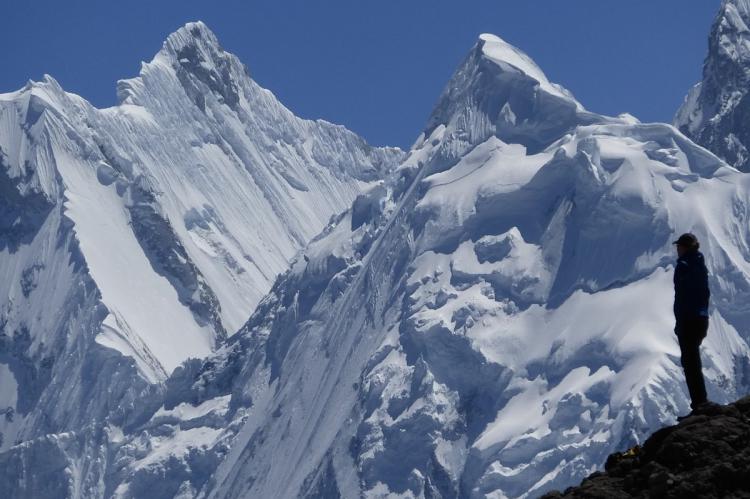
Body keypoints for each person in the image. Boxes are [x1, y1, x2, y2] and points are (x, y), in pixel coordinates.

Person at [672, 232, 712, 420]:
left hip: (688, 320)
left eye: (679, 246)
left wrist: (680, 322)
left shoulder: (684, 266)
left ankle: (699, 403)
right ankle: (700, 402)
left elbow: (682, 296)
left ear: (685, 248)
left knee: (690, 363)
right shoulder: (700, 264)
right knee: (693, 361)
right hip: (701, 319)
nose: (677, 249)